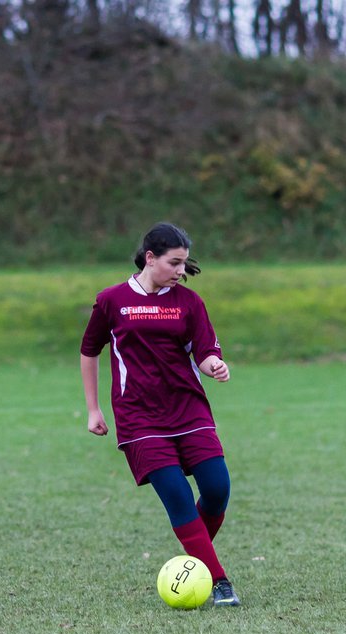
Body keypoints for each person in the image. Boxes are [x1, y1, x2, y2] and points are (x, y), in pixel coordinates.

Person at [80, 222, 240, 606]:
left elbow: (204, 351)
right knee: (179, 497)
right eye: (175, 263)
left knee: (218, 489)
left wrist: (215, 364)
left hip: (189, 408)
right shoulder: (111, 300)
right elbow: (89, 351)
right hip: (139, 417)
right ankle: (219, 582)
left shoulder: (189, 302)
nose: (181, 271)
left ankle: (192, 561)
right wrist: (93, 409)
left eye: (184, 264)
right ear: (150, 258)